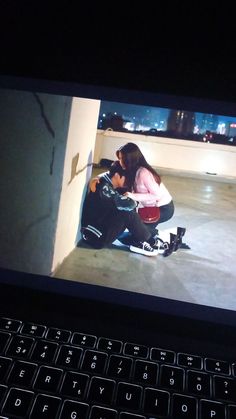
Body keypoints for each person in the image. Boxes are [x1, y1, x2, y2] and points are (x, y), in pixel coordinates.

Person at [80, 161, 159, 257]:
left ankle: (141, 239)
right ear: (117, 175)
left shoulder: (107, 182)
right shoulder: (103, 187)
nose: (128, 181)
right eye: (127, 178)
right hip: (94, 236)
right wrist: (130, 198)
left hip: (98, 230)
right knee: (128, 214)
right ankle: (151, 241)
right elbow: (130, 204)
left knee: (127, 212)